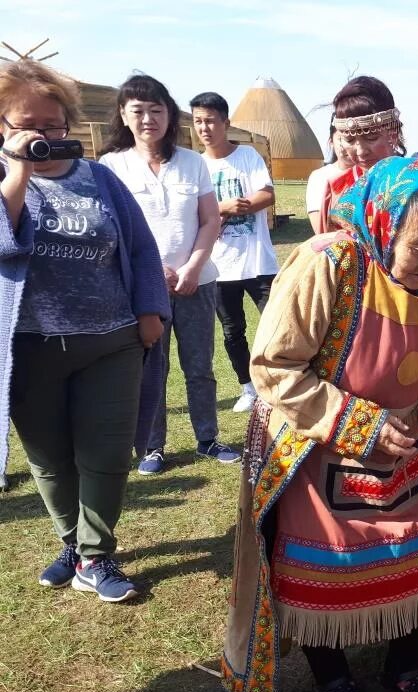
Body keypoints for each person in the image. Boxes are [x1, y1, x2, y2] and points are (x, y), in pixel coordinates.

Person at [220, 157, 418, 692]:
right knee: (323, 569)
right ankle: (333, 678)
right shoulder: (326, 263)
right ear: (386, 224)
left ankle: (405, 667)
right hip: (322, 447)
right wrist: (357, 425)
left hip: (409, 445)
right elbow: (274, 365)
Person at [0, 60, 169, 601]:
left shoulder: (100, 178)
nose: (44, 136)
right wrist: (18, 176)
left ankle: (96, 556)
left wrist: (150, 312)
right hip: (28, 346)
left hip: (111, 341)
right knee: (49, 459)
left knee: (106, 452)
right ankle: (72, 544)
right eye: (27, 125)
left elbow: (142, 249)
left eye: (54, 125)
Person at [99, 75, 239, 474]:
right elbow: (112, 229)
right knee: (150, 368)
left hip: (198, 281)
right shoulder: (111, 167)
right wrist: (150, 271)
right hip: (145, 288)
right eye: (138, 111)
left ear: (169, 116)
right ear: (124, 116)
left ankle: (207, 439)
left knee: (200, 366)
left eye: (157, 110)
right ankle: (151, 446)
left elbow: (210, 220)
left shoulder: (192, 162)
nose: (148, 119)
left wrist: (194, 266)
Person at [191, 91, 279, 414]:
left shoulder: (248, 157)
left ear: (226, 122)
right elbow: (193, 213)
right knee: (232, 331)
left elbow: (266, 195)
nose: (205, 127)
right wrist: (226, 206)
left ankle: (281, 383)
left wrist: (231, 208)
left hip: (258, 263)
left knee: (276, 324)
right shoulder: (196, 165)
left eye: (211, 120)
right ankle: (248, 387)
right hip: (219, 265)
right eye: (199, 121)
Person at [316, 76, 404, 235]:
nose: (361, 151)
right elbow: (326, 249)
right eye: (349, 140)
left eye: (371, 138)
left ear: (393, 133)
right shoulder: (337, 189)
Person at [306, 119, 353, 234]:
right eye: (341, 139)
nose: (347, 146)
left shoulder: (372, 174)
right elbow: (320, 230)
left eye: (352, 139)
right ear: (331, 141)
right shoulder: (319, 177)